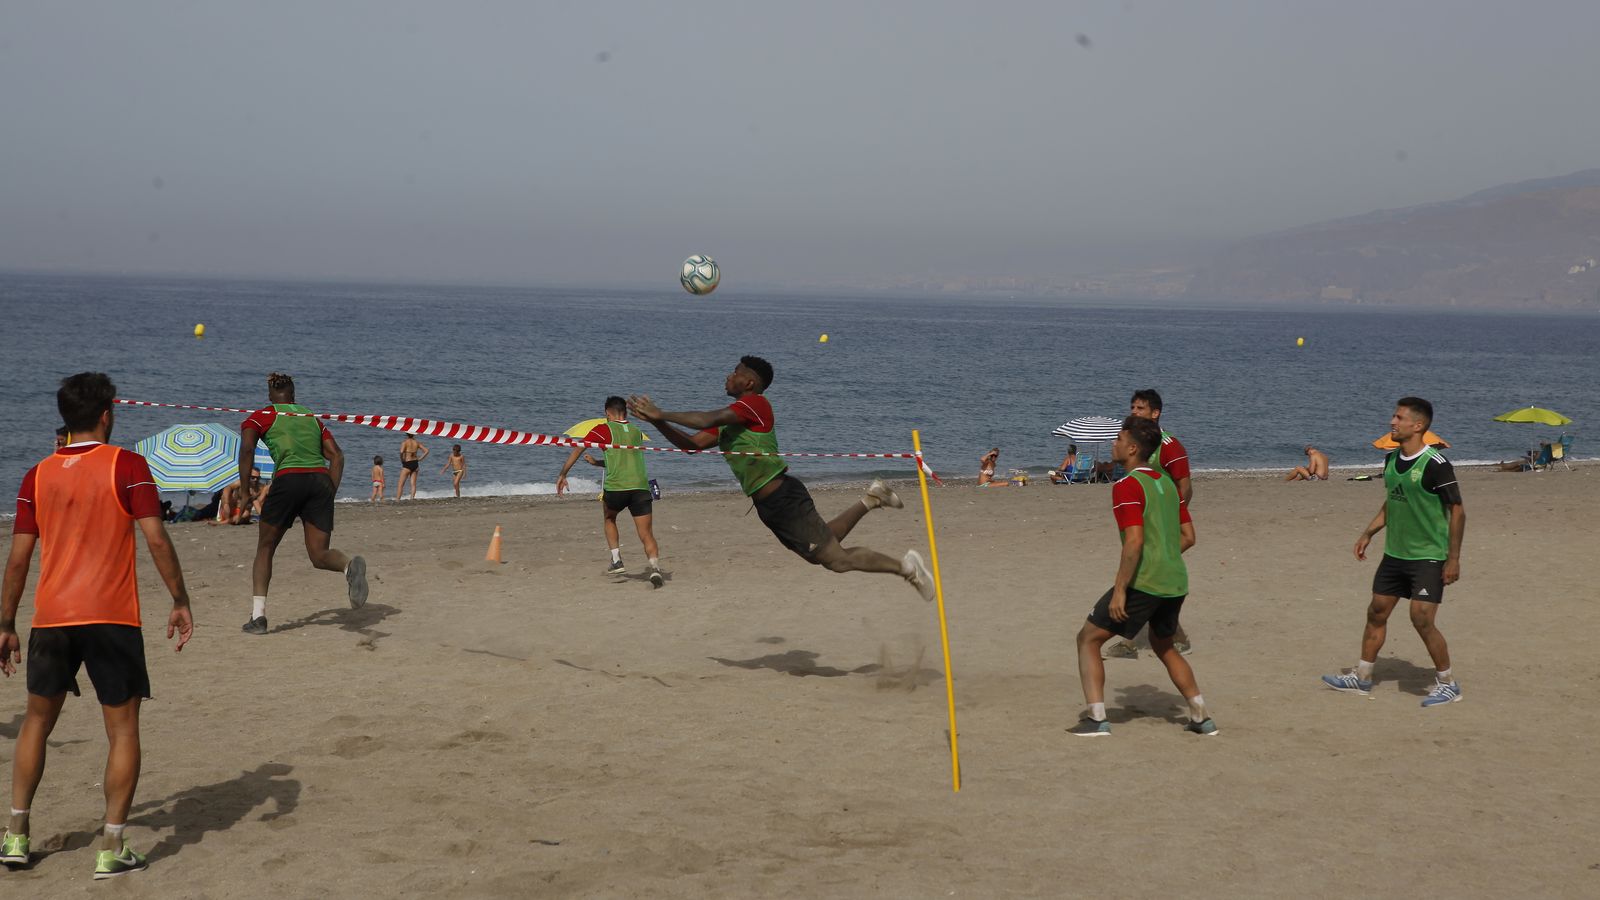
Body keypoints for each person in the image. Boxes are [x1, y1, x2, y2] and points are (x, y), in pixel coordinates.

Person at [1, 372, 194, 877]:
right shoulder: (128, 465)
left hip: (52, 617)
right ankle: (111, 848)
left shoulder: (36, 475)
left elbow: (18, 560)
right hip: (111, 617)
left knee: (36, 722)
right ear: (107, 414)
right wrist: (179, 598)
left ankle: (16, 836)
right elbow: (155, 539)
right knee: (123, 730)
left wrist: (5, 623)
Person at [627, 356, 934, 600]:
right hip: (769, 506)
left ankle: (907, 569)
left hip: (783, 497)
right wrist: (657, 423)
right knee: (824, 545)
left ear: (749, 382)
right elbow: (691, 446)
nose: (727, 376)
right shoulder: (731, 421)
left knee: (835, 559)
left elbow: (708, 417)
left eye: (733, 372)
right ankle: (872, 498)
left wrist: (662, 413)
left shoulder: (755, 405)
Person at [1068, 415, 1213, 737]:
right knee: (1164, 646)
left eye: (1118, 440)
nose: (1113, 444)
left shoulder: (1127, 486)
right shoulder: (1166, 485)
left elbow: (1133, 541)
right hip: (1176, 580)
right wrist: (1165, 556)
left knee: (1088, 638)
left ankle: (1095, 719)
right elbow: (1188, 536)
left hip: (1145, 581)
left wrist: (1121, 590)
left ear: (1132, 449)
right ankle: (1201, 717)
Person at [1322, 397, 1466, 708]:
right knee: (1376, 612)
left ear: (1418, 425)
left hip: (1428, 555)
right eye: (1393, 416)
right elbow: (1394, 501)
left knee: (1421, 618)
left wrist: (1453, 558)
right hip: (1395, 554)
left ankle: (1448, 684)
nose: (1392, 422)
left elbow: (1457, 510)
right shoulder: (1390, 461)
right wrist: (1368, 533)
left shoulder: (1436, 465)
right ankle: (1361, 677)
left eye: (1399, 418)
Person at [238, 372, 368, 635]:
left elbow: (247, 449)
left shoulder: (262, 416)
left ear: (270, 397)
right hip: (319, 481)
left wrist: (244, 492)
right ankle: (347, 565)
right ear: (294, 396)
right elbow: (337, 456)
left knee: (265, 548)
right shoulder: (310, 417)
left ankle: (258, 618)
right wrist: (328, 492)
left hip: (288, 480)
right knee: (319, 555)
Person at [1108, 388, 1193, 656]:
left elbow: (1185, 487)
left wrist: (1169, 520)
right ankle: (1175, 638)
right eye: (1132, 408)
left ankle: (1131, 641)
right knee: (1152, 581)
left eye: (1140, 409)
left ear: (1155, 413)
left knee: (1144, 577)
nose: (1134, 412)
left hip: (1163, 525)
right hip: (1144, 522)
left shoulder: (1170, 446)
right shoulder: (1136, 445)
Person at [556, 396, 665, 586]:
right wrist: (597, 463)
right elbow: (622, 460)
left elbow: (577, 449)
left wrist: (563, 474)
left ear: (608, 413)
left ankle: (616, 560)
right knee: (646, 533)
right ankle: (655, 568)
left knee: (609, 518)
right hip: (640, 487)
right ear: (624, 411)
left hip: (616, 488)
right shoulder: (636, 431)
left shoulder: (603, 429)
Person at [395, 434, 429, 500]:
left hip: (407, 463)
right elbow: (426, 451)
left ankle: (397, 499)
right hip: (415, 463)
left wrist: (402, 459)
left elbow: (401, 452)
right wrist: (420, 458)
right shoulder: (417, 442)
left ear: (407, 434)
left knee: (400, 484)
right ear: (413, 435)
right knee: (413, 484)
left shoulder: (405, 442)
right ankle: (412, 498)